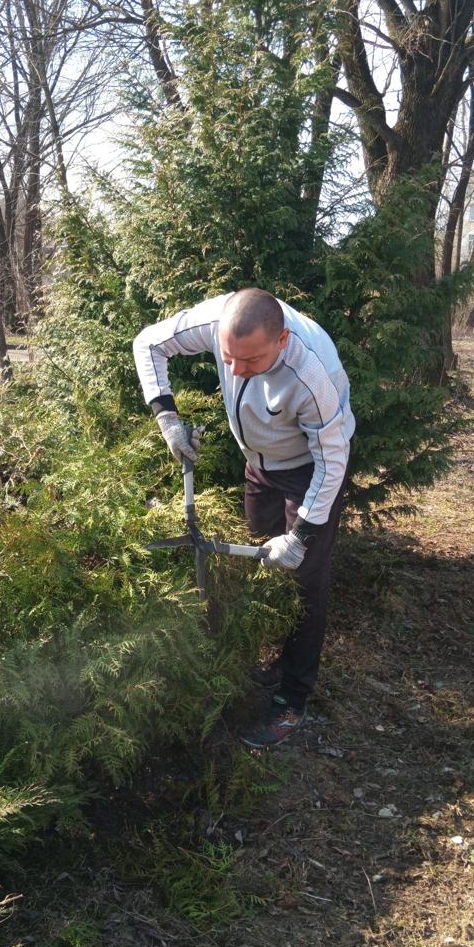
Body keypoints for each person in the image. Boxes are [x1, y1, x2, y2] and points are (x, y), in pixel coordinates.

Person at [134, 287, 355, 748]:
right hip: (258, 464)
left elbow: (332, 461)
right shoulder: (219, 320)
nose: (235, 371)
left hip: (309, 471)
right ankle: (272, 663)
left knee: (304, 581)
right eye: (228, 357)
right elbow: (148, 343)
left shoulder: (313, 373)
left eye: (250, 360)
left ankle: (292, 699)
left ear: (281, 341)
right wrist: (167, 419)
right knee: (257, 563)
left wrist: (301, 535)